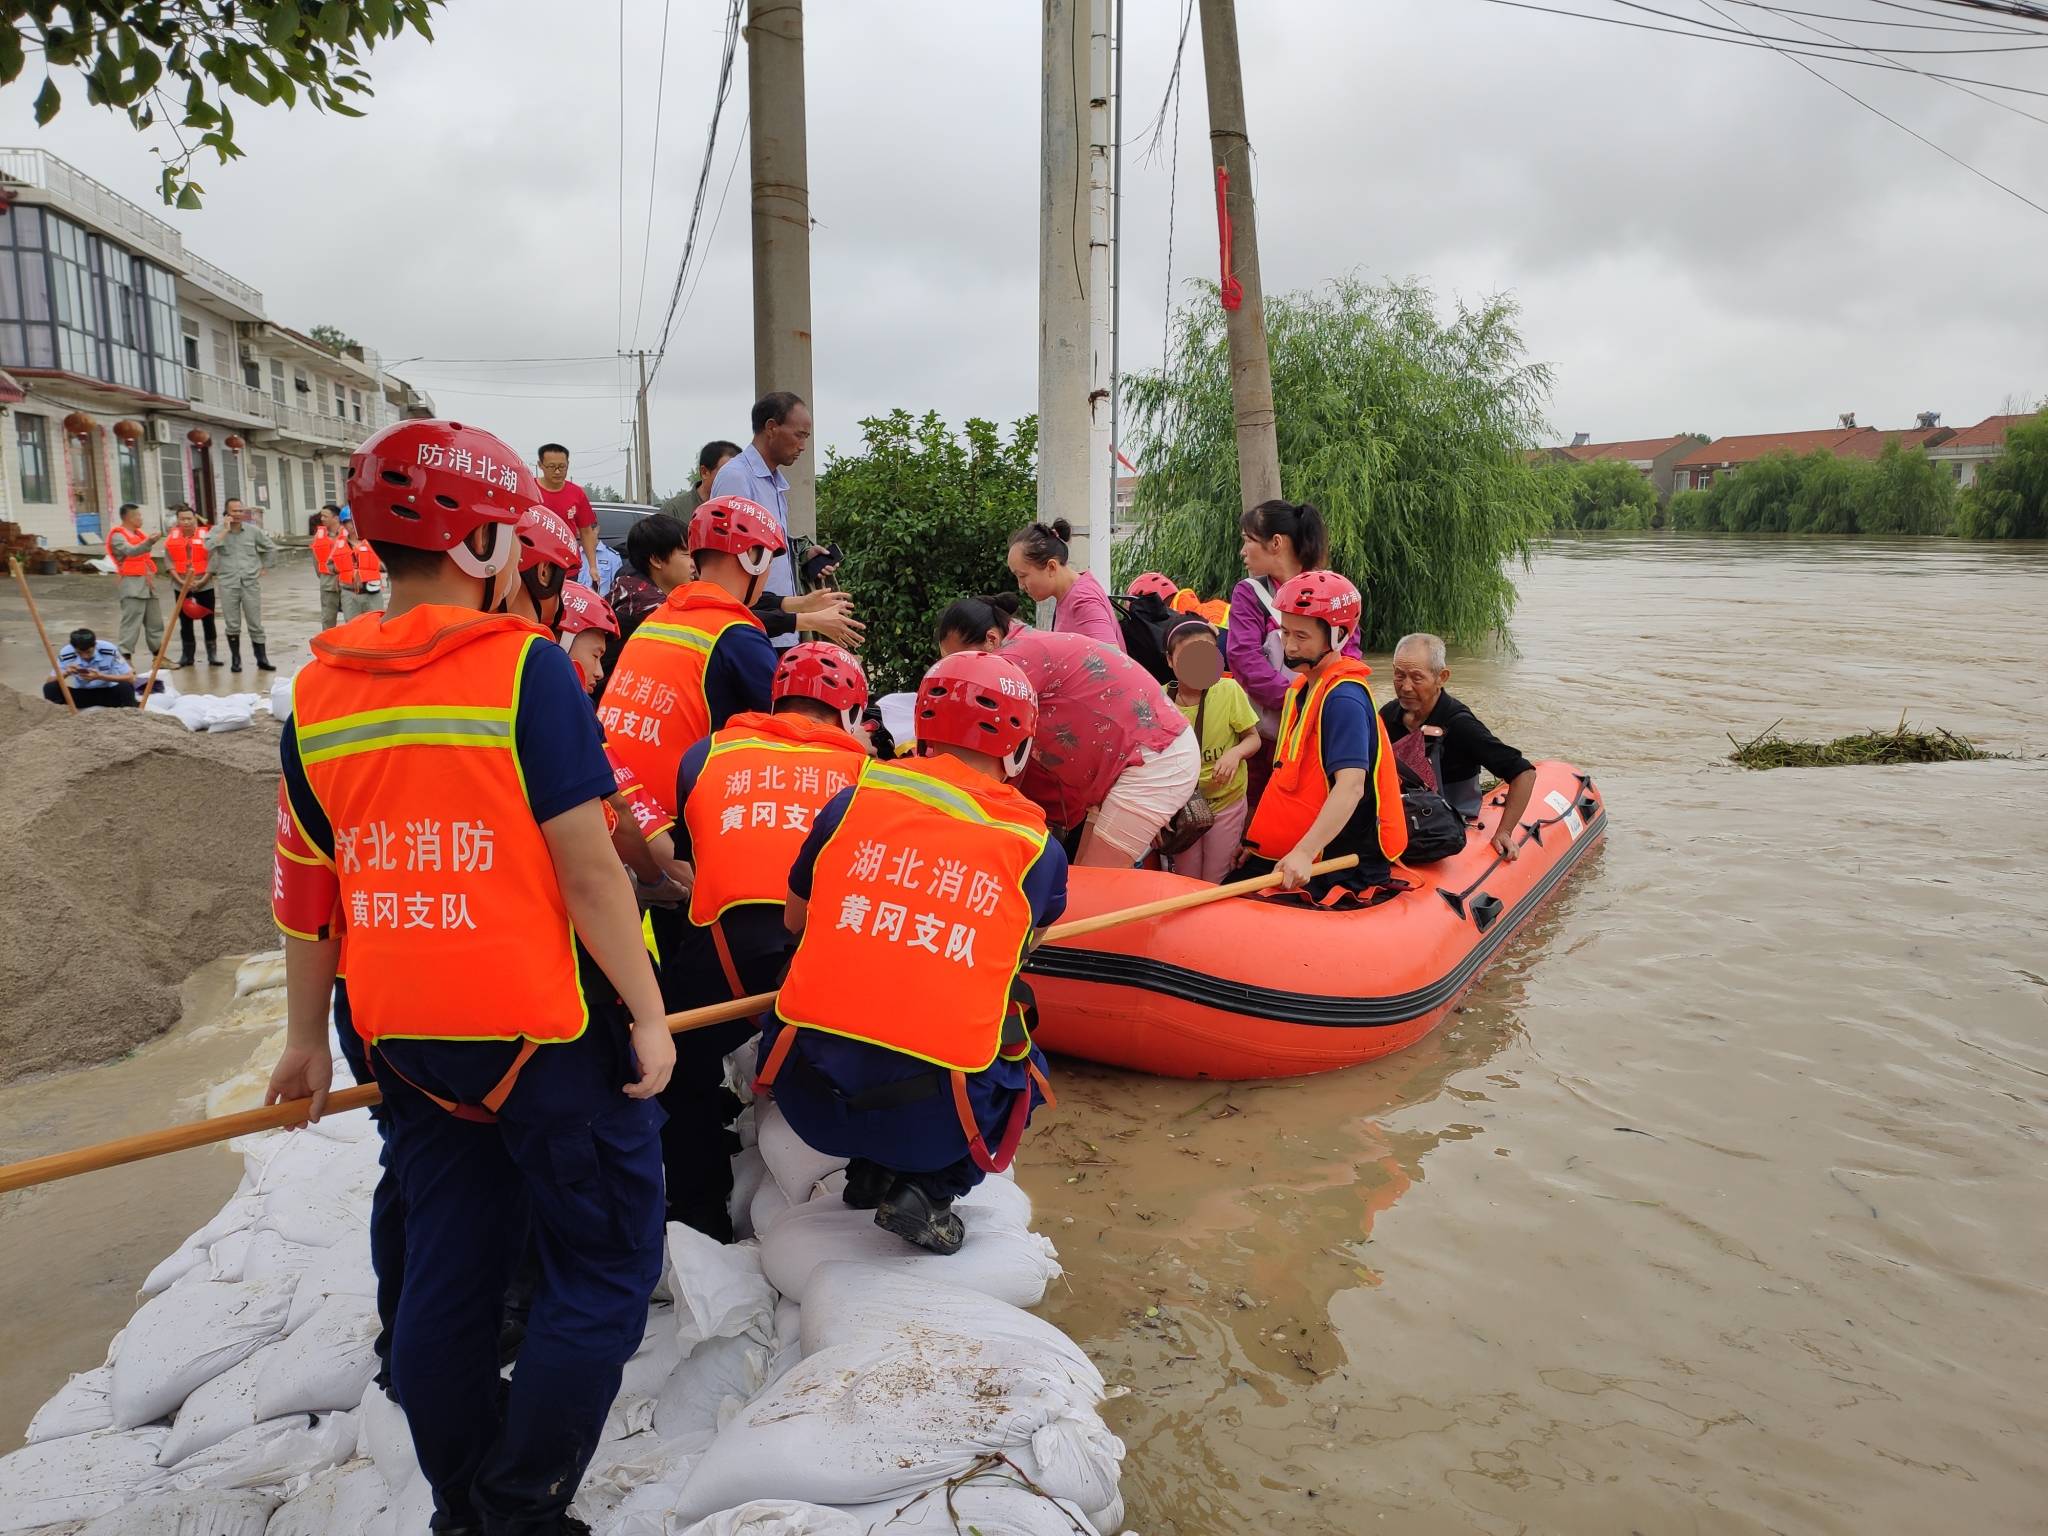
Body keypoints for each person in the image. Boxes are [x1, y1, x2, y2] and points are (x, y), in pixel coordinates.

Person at [263, 417, 673, 1536]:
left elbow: (310, 890)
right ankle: (516, 1509)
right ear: (485, 542)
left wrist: (303, 1043)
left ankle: (460, 1504)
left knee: (445, 1276)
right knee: (600, 1267)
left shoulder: (317, 692)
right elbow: (592, 877)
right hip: (542, 1038)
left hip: (405, 1039)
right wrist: (649, 1016)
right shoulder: (523, 670)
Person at [754, 649, 1066, 1255]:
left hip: (805, 1098)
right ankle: (927, 1189)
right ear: (1020, 746)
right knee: (1024, 1051)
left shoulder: (850, 804)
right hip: (934, 1123)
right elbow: (1016, 954)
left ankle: (868, 1169)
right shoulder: (1035, 849)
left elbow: (796, 920)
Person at [657, 641, 870, 1238]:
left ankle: (696, 1209)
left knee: (680, 1066)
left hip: (720, 952)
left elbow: (695, 858)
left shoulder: (705, 755)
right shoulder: (865, 774)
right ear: (851, 712)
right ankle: (861, 1188)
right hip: (810, 960)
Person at [935, 593, 1198, 868]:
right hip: (1130, 761)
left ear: (991, 639)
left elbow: (990, 748)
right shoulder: (1023, 644)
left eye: (961, 659)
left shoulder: (1012, 662)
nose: (961, 672)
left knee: (1099, 882)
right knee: (1082, 874)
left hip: (1153, 759)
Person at [601, 496, 782, 823]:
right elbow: (789, 724)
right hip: (673, 823)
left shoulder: (660, 617)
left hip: (614, 802)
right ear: (754, 558)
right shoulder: (736, 634)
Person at [1238, 571, 1408, 901]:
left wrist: (1303, 852)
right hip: (1302, 851)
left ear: (1339, 635)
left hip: (1339, 862)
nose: (1289, 645)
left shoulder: (1343, 699)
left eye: (1302, 636)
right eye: (1285, 632)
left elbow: (1351, 786)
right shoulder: (1303, 688)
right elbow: (1288, 779)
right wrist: (1260, 845)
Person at [1227, 500, 1360, 807]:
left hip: (1321, 722)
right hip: (1269, 733)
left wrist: (1319, 704)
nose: (1242, 551)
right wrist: (1294, 700)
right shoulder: (1250, 593)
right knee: (1263, 806)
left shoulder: (1333, 590)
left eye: (1248, 540)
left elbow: (1349, 653)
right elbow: (1243, 657)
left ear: (1276, 543)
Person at [708, 391, 861, 652]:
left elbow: (765, 549)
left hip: (779, 624)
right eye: (799, 435)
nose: (803, 446)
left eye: (806, 438)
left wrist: (801, 554)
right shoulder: (737, 477)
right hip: (753, 628)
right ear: (771, 427)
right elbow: (729, 561)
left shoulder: (774, 481)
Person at [1381, 632, 1537, 859]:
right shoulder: (1387, 716)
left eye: (1416, 678)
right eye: (1399, 675)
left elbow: (1524, 773)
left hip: (1452, 822)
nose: (1405, 687)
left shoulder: (1461, 725)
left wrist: (1504, 831)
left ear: (1441, 677)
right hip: (1404, 814)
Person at [1163, 619, 1262, 883]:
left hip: (1225, 802)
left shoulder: (1229, 691)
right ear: (1171, 660)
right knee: (1186, 877)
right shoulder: (1160, 701)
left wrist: (1235, 753)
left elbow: (1253, 739)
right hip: (1183, 809)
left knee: (1217, 877)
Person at [1007, 519, 1123, 651]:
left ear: (1051, 567)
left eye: (1022, 576)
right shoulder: (1072, 593)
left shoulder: (1084, 600)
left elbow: (1112, 660)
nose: (1021, 586)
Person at [207, 497, 277, 674]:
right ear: (227, 513)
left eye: (240, 511)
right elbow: (208, 546)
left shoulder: (253, 531)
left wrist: (264, 567)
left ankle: (262, 659)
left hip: (249, 583)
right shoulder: (217, 530)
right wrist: (224, 530)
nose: (237, 514)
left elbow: (270, 547)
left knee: (255, 622)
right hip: (228, 584)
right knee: (232, 624)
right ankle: (236, 660)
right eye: (234, 511)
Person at [610, 512, 693, 645]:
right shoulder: (651, 613)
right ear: (656, 560)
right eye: (687, 554)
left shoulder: (629, 591)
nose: (694, 563)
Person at [533, 442, 600, 586]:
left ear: (568, 464)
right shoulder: (529, 489)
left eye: (562, 467)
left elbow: (586, 532)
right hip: (532, 565)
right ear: (540, 465)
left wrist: (593, 566)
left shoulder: (577, 494)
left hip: (566, 567)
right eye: (551, 467)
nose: (557, 471)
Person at [105, 502, 165, 660]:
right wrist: (149, 542)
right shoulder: (118, 536)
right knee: (131, 624)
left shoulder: (138, 535)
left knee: (155, 623)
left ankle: (159, 657)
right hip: (132, 586)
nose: (141, 518)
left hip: (147, 584)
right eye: (138, 515)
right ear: (129, 518)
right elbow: (131, 551)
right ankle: (125, 659)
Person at [163, 506, 219, 669]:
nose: (186, 522)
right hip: (180, 584)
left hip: (204, 583)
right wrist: (180, 581)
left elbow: (213, 559)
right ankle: (187, 655)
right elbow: (168, 562)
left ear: (195, 519)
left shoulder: (206, 536)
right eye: (182, 519)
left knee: (208, 619)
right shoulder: (171, 537)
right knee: (185, 621)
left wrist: (203, 580)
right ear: (178, 520)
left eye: (189, 518)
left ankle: (212, 654)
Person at [45, 627, 136, 707]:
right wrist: (66, 673)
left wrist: (100, 676)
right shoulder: (66, 653)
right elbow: (49, 681)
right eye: (80, 653)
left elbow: (130, 678)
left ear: (95, 645)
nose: (85, 656)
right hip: (82, 694)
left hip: (107, 692)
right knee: (50, 688)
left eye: (88, 652)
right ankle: (61, 715)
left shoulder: (109, 649)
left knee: (126, 687)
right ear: (74, 648)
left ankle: (129, 713)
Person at [336, 526, 388, 620]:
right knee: (352, 628)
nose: (352, 525)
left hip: (372, 593)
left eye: (354, 522)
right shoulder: (340, 544)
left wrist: (374, 565)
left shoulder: (375, 542)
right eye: (349, 522)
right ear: (343, 525)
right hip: (349, 593)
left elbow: (388, 565)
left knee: (375, 625)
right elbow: (329, 566)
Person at [312, 506, 346, 629]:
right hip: (328, 584)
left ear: (336, 518)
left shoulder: (348, 534)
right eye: (321, 516)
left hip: (348, 584)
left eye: (325, 516)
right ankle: (327, 646)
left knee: (353, 618)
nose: (322, 519)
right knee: (328, 619)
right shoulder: (319, 536)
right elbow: (316, 562)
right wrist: (324, 577)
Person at [694, 440, 741, 505]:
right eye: (727, 473)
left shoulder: (745, 508)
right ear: (704, 472)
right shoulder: (676, 510)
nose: (734, 480)